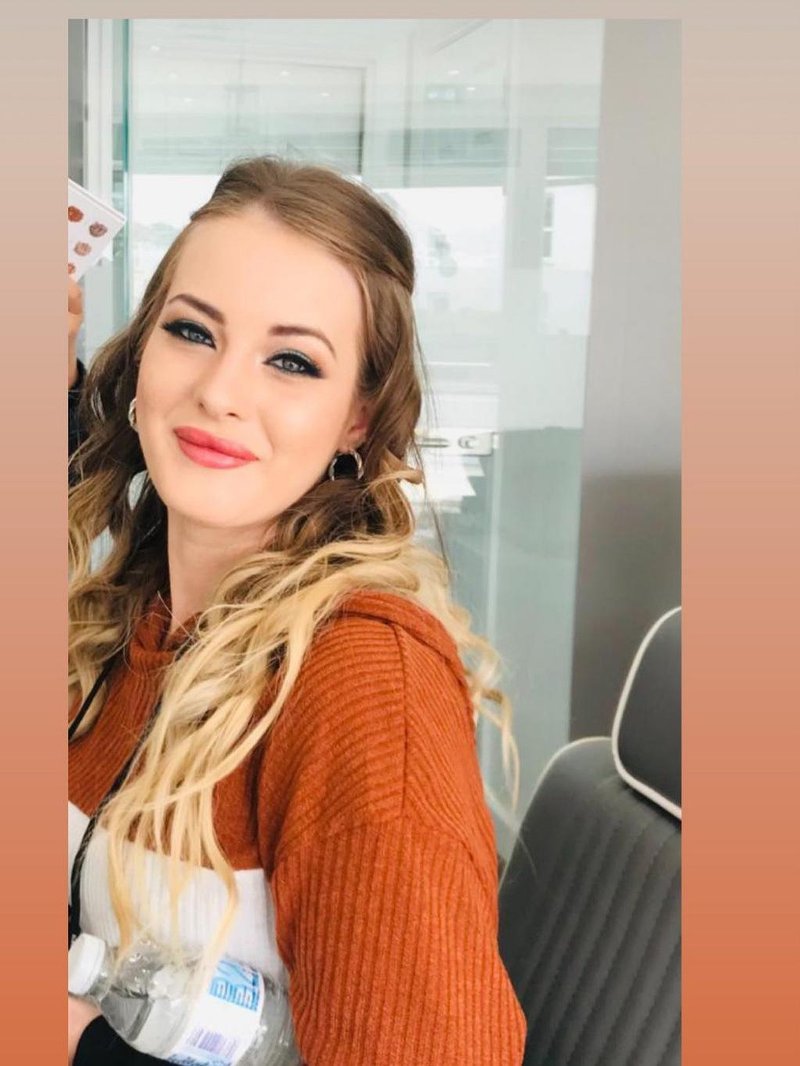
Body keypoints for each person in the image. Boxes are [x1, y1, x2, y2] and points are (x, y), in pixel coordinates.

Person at [67, 155, 526, 1065]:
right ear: (142, 352)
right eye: (191, 331)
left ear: (358, 418)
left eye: (291, 361)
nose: (220, 392)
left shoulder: (364, 690)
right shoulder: (135, 617)